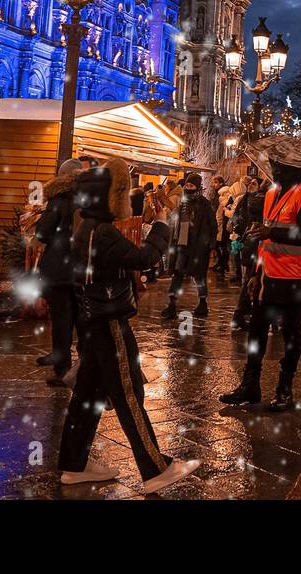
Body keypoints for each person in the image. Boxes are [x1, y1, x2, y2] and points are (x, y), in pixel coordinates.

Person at [57, 157, 201, 493]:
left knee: (87, 395)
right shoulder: (102, 232)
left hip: (92, 321)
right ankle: (155, 468)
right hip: (108, 323)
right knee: (128, 394)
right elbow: (144, 259)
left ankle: (74, 463)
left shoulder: (86, 227)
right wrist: (163, 226)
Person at [219, 155, 301, 411]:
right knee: (256, 331)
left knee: (290, 334)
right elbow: (264, 239)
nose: (274, 170)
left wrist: (271, 232)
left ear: (294, 169)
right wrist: (254, 273)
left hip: (293, 278)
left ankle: (284, 388)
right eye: (274, 166)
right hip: (267, 276)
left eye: (279, 167)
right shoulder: (271, 196)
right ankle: (250, 384)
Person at [34, 159, 84, 384]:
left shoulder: (59, 199)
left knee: (62, 319)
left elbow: (43, 232)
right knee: (81, 320)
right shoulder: (88, 199)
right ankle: (82, 365)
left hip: (61, 267)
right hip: (81, 268)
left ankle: (62, 368)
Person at [162, 172, 216, 320]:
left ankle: (203, 303)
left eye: (191, 185)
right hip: (182, 245)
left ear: (197, 187)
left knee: (199, 276)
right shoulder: (183, 202)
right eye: (186, 185)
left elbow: (212, 224)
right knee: (177, 274)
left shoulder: (204, 204)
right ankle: (172, 305)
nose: (188, 187)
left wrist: (212, 245)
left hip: (198, 246)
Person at [229, 174, 267, 331]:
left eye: (254, 182)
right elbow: (238, 216)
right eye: (251, 182)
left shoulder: (247, 198)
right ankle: (240, 315)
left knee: (250, 280)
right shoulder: (255, 199)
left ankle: (244, 314)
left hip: (248, 241)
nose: (251, 184)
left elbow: (237, 216)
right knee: (250, 280)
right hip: (253, 243)